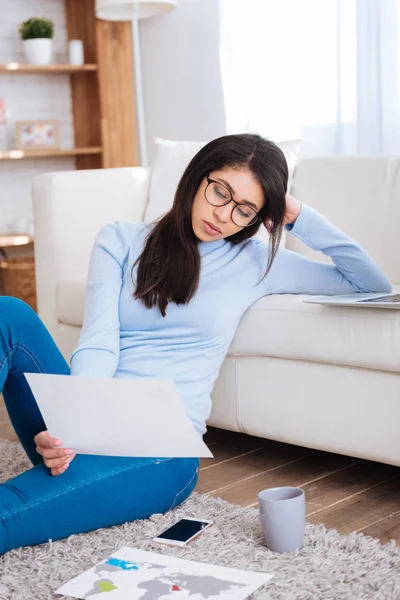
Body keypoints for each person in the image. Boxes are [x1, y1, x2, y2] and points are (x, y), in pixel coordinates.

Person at [0, 133, 392, 554]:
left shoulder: (258, 262)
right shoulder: (121, 239)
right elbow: (99, 341)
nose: (223, 215)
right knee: (9, 313)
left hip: (161, 450)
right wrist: (72, 429)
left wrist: (298, 216)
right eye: (220, 191)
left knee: (11, 513)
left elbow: (372, 284)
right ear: (197, 177)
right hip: (91, 423)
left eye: (244, 209)